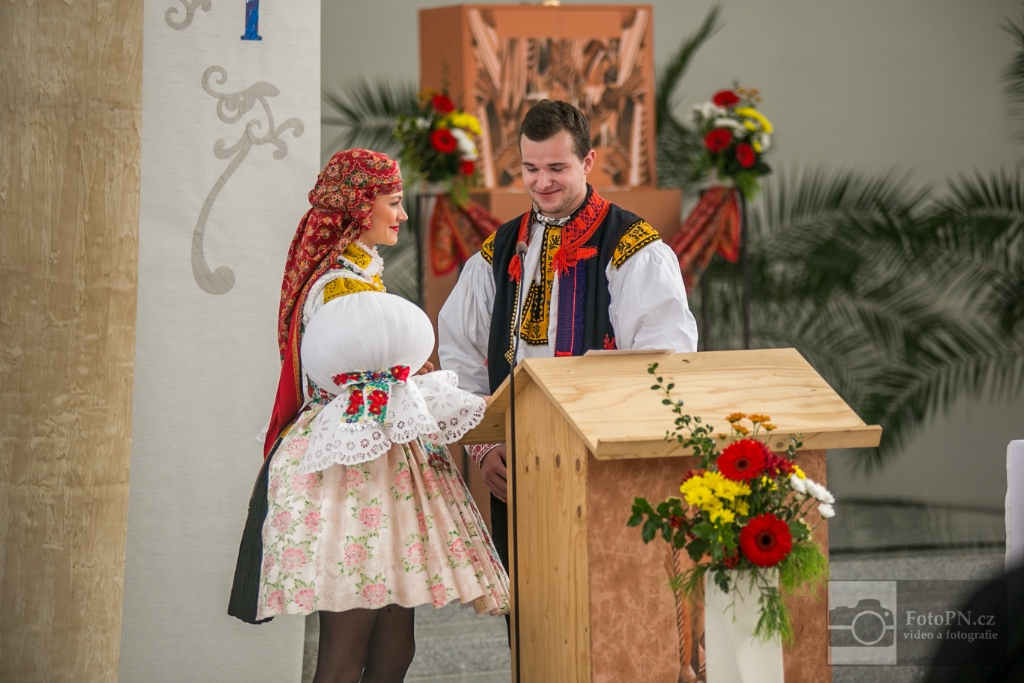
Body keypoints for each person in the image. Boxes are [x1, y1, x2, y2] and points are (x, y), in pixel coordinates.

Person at [228, 149, 510, 683]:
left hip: (381, 464)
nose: (402, 214)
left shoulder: (358, 278)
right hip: (352, 469)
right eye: (393, 202)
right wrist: (404, 376)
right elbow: (355, 382)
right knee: (346, 653)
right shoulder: (339, 287)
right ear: (360, 207)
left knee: (395, 647)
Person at [438, 99, 699, 574]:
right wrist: (483, 444)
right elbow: (461, 351)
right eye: (530, 168)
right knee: (526, 594)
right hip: (517, 460)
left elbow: (664, 361)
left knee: (601, 590)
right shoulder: (500, 250)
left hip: (602, 457)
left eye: (557, 168)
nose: (542, 182)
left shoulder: (632, 246)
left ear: (588, 161)